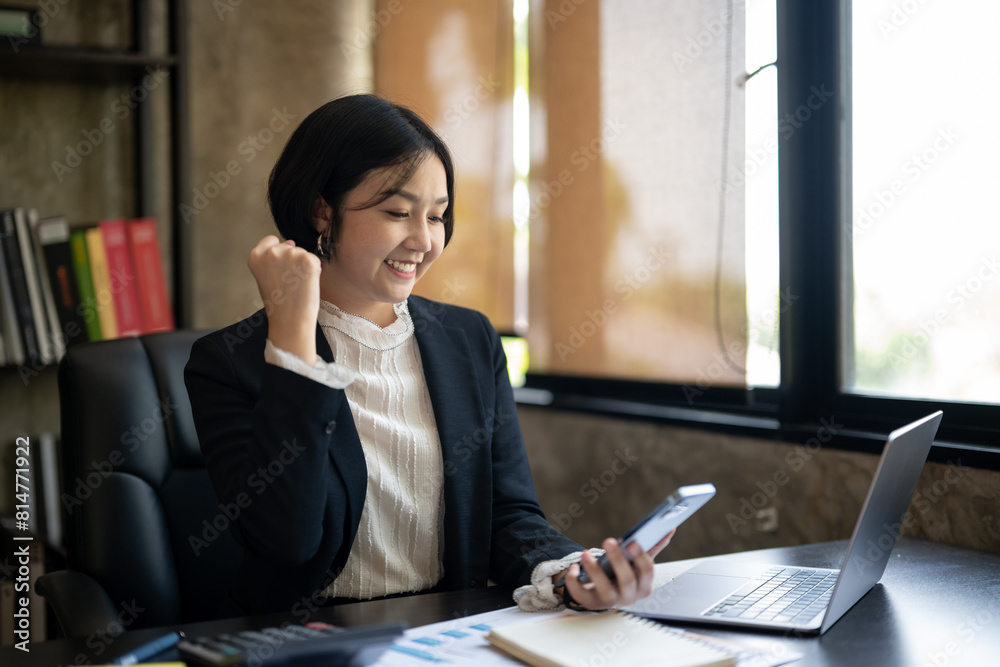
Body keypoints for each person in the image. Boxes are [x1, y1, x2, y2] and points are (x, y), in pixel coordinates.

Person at [184, 93, 672, 618]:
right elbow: (286, 542)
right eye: (397, 212)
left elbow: (507, 515)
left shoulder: (470, 339)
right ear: (321, 211)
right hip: (308, 640)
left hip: (446, 632)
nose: (423, 240)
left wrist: (571, 577)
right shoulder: (229, 363)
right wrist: (292, 342)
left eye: (437, 216)